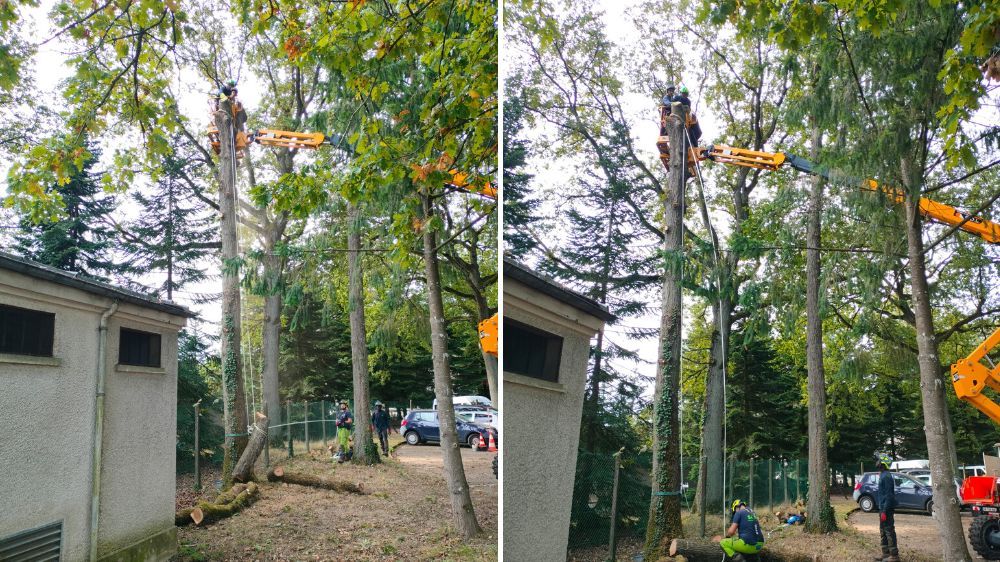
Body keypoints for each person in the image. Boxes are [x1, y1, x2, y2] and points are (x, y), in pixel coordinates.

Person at [875, 453, 899, 562]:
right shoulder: (883, 474)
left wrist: (884, 510)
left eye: (879, 460)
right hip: (882, 508)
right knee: (883, 531)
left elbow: (889, 495)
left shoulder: (887, 476)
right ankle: (885, 553)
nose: (877, 462)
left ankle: (894, 556)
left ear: (883, 463)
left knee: (889, 530)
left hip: (887, 509)